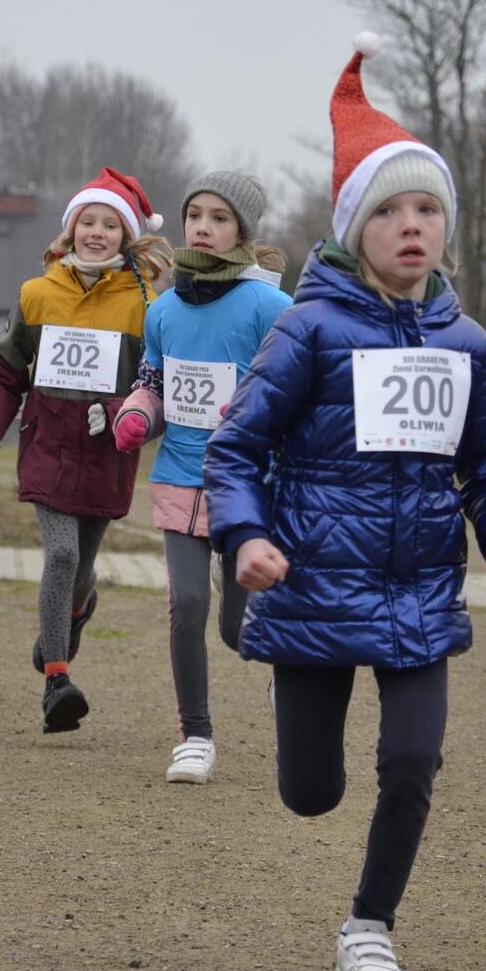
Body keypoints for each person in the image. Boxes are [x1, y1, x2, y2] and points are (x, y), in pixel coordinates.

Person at [205, 33, 486, 971]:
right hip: (312, 588)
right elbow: (236, 448)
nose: (410, 226)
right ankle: (300, 728)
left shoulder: (468, 345)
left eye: (427, 208)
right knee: (311, 794)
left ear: (446, 226)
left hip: (420, 592)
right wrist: (247, 535)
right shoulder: (307, 329)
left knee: (413, 763)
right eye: (387, 210)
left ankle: (369, 928)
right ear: (356, 229)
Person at [0, 167, 170, 734]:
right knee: (60, 556)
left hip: (108, 456)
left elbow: (155, 388)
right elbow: (5, 368)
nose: (97, 233)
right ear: (71, 229)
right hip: (48, 446)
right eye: (88, 222)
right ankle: (57, 680)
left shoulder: (148, 307)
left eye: (110, 224)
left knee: (81, 568)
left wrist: (119, 412)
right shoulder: (36, 294)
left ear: (127, 236)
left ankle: (79, 607)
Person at [112, 171, 292, 784]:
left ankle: (289, 678)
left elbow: (298, 389)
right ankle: (195, 736)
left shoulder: (271, 308)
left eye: (219, 218)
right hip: (178, 479)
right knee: (186, 605)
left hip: (249, 486)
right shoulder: (163, 310)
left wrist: (259, 413)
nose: (203, 227)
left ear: (242, 230)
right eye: (195, 216)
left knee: (238, 630)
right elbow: (154, 382)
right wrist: (138, 414)